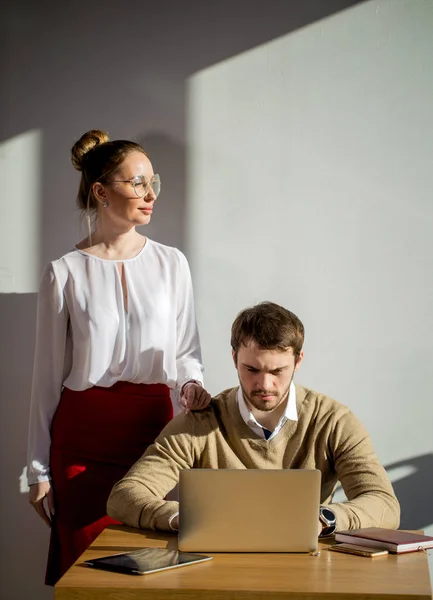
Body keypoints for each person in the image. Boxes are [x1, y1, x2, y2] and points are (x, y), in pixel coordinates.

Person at [27, 129, 211, 585]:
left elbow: (187, 351)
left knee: (155, 572)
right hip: (81, 440)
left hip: (154, 438)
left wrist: (190, 386)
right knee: (88, 578)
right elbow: (46, 379)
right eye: (138, 183)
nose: (151, 195)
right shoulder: (64, 273)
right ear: (100, 191)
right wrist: (35, 470)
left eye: (154, 184)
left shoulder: (173, 264)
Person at [107, 301, 400, 536]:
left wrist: (325, 518)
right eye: (252, 369)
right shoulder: (200, 422)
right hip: (215, 568)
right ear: (234, 358)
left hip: (309, 567)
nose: (265, 384)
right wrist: (180, 518)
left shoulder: (334, 420)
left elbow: (384, 504)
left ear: (298, 361)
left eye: (277, 371)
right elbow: (124, 496)